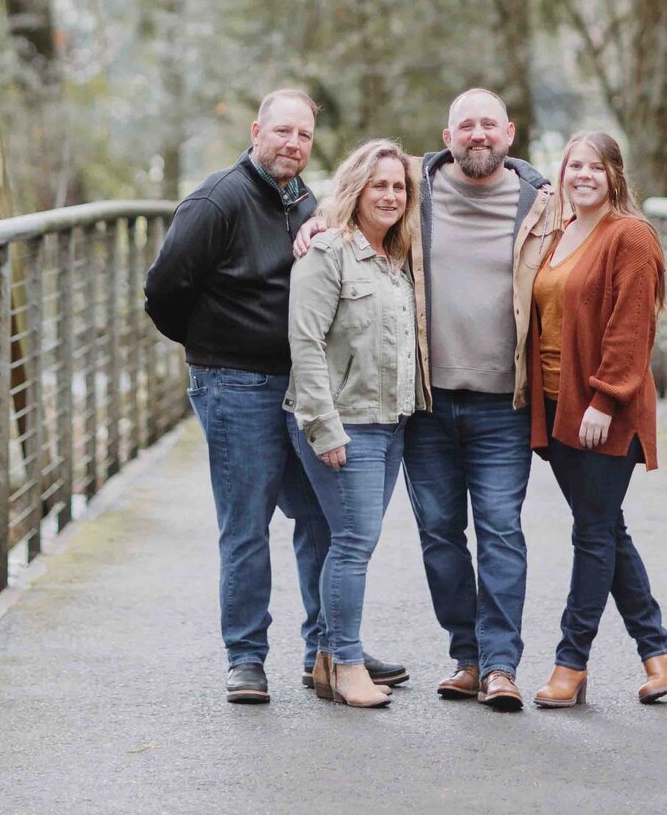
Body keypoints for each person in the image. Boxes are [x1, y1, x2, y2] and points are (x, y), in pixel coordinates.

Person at [143, 89, 407, 704]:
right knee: (246, 524)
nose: (293, 144)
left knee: (318, 517)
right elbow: (162, 290)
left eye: (304, 136)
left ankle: (328, 646)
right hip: (234, 385)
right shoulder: (219, 199)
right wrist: (214, 343)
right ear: (257, 130)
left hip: (298, 388)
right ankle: (246, 658)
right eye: (282, 132)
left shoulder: (304, 201)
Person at [296, 86, 551, 712]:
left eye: (489, 124)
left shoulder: (542, 202)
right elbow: (364, 200)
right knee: (439, 535)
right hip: (428, 406)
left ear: (510, 133)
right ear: (446, 138)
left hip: (503, 405)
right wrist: (317, 221)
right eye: (465, 125)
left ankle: (499, 666)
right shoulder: (419, 192)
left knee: (500, 531)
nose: (478, 135)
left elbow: (605, 215)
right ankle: (465, 657)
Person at [527, 131, 667, 711]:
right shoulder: (559, 232)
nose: (583, 176)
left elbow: (630, 329)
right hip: (555, 405)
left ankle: (571, 664)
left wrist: (604, 399)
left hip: (602, 411)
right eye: (574, 166)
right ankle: (659, 653)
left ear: (615, 175)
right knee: (605, 529)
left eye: (595, 167)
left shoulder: (631, 237)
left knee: (592, 535)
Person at [285, 140, 429, 708]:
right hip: (345, 424)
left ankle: (327, 657)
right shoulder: (328, 253)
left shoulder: (401, 258)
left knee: (351, 542)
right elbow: (306, 341)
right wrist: (324, 427)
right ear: (356, 190)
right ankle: (346, 665)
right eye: (380, 186)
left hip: (392, 423)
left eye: (399, 186)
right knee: (352, 544)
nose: (391, 195)